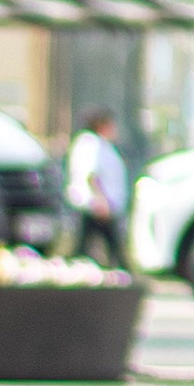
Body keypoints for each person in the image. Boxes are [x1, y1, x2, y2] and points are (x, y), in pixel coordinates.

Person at [63, 108, 128, 268]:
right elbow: (92, 175)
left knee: (85, 246)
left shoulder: (96, 144)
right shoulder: (92, 144)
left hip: (97, 206)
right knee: (107, 246)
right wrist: (101, 200)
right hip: (95, 206)